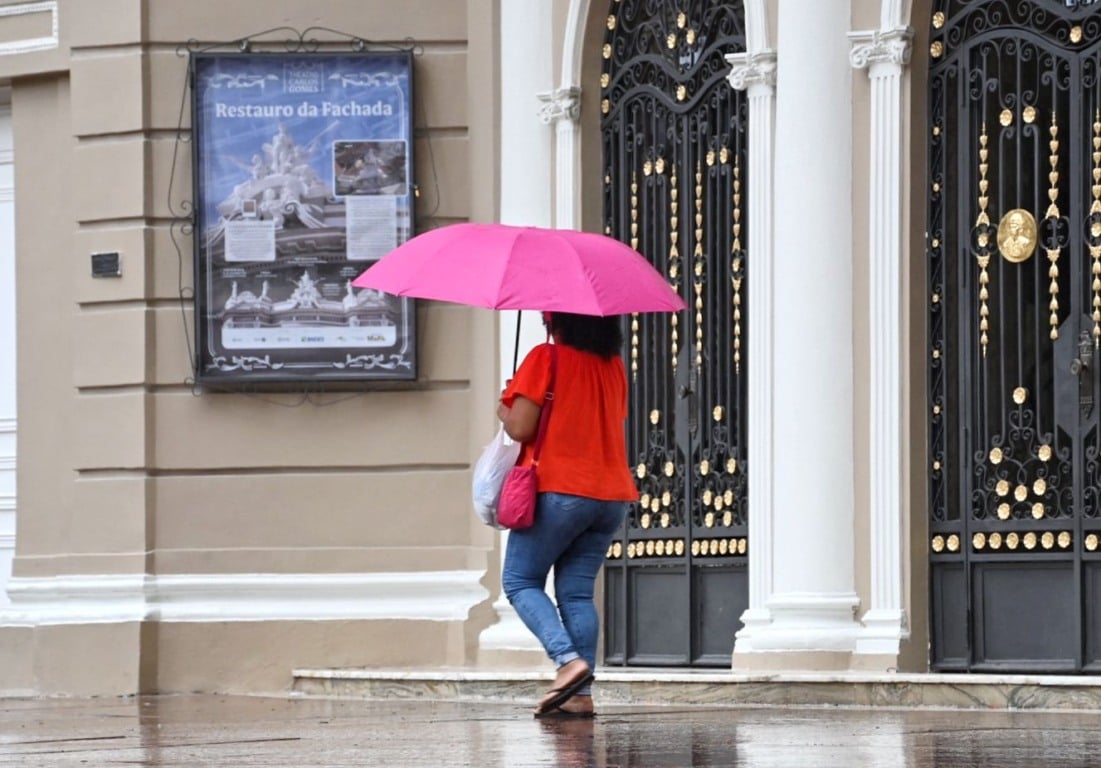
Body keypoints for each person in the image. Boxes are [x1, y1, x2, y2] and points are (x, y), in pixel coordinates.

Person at [497, 311, 638, 719]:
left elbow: (521, 428)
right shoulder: (613, 367)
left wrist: (506, 406)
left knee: (520, 580)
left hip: (560, 489)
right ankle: (581, 694)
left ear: (556, 321)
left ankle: (567, 661)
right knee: (575, 593)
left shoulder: (546, 357)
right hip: (610, 494)